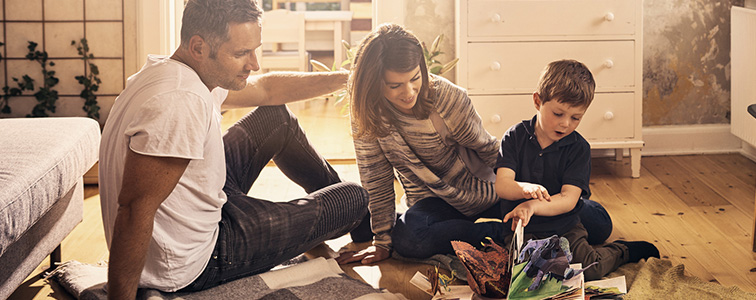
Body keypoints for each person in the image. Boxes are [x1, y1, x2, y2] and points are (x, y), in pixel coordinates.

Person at [98, 0, 369, 298]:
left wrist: (350, 80)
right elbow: (135, 209)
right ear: (199, 47)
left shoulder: (175, 70)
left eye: (254, 50)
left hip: (197, 213)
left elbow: (266, 89)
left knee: (275, 117)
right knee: (353, 197)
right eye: (241, 53)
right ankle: (363, 222)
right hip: (195, 261)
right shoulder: (180, 101)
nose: (254, 63)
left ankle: (356, 227)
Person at [336, 23, 509, 265]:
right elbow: (375, 178)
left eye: (415, 78)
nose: (408, 92)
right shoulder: (368, 113)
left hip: (486, 193)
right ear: (374, 82)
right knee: (409, 240)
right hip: (436, 203)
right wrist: (383, 242)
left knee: (573, 215)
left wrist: (524, 191)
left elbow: (489, 150)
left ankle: (513, 228)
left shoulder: (447, 98)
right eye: (395, 85)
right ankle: (507, 234)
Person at [495, 59, 659, 280]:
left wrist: (532, 204)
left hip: (565, 225)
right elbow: (503, 186)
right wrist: (525, 189)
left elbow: (568, 199)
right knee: (528, 275)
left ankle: (623, 250)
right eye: (558, 114)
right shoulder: (514, 137)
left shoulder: (579, 148)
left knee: (589, 269)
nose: (565, 124)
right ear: (537, 101)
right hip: (523, 228)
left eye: (576, 118)